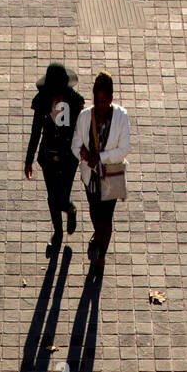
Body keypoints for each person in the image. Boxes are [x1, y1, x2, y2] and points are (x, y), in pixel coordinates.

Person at [72, 72, 130, 274]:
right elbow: (75, 144)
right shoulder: (84, 117)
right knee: (94, 211)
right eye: (98, 101)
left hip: (111, 175)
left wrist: (101, 157)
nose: (101, 105)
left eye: (105, 101)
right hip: (91, 176)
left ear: (111, 99)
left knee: (106, 218)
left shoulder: (121, 117)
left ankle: (102, 256)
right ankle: (97, 234)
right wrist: (85, 155)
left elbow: (123, 150)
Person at [24, 63, 84, 258]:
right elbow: (36, 131)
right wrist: (29, 159)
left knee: (62, 194)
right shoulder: (42, 101)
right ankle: (58, 232)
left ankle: (69, 208)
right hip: (48, 157)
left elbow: (80, 131)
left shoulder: (75, 103)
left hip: (68, 157)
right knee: (52, 197)